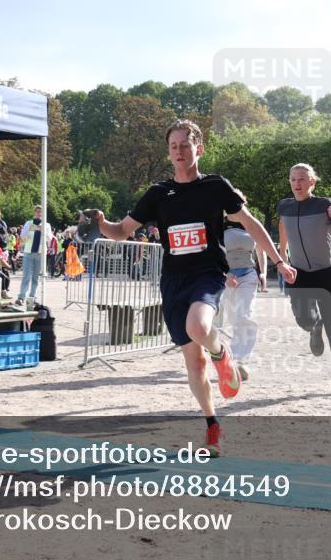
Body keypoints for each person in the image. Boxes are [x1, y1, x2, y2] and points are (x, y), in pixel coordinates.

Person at [94, 119, 296, 457]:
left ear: (198, 149)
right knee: (195, 364)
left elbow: (253, 224)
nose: (179, 152)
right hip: (174, 281)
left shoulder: (216, 187)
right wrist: (101, 223)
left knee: (199, 327)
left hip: (208, 272)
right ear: (168, 152)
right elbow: (122, 231)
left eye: (185, 146)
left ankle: (223, 354)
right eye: (173, 147)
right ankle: (212, 425)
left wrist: (278, 261)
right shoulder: (158, 194)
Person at [277, 163, 331, 395]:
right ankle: (314, 328)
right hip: (298, 273)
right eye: (293, 180)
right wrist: (282, 254)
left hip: (325, 274)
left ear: (312, 182)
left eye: (302, 179)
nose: (297, 184)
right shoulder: (284, 206)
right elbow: (283, 225)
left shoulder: (325, 205)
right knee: (303, 319)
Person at [221, 219, 268, 381]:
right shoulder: (218, 224)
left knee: (244, 316)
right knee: (233, 318)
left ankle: (238, 360)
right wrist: (225, 275)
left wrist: (263, 273)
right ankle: (233, 357)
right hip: (226, 277)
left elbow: (261, 251)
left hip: (248, 275)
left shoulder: (251, 225)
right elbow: (213, 254)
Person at [18, 206, 53, 304]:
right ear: (34, 212)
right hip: (28, 252)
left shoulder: (47, 225)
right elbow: (22, 237)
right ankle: (21, 297)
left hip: (40, 253)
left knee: (36, 277)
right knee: (26, 276)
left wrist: (43, 231)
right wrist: (30, 230)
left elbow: (49, 239)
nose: (39, 214)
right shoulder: (28, 223)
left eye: (41, 212)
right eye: (37, 212)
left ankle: (32, 297)